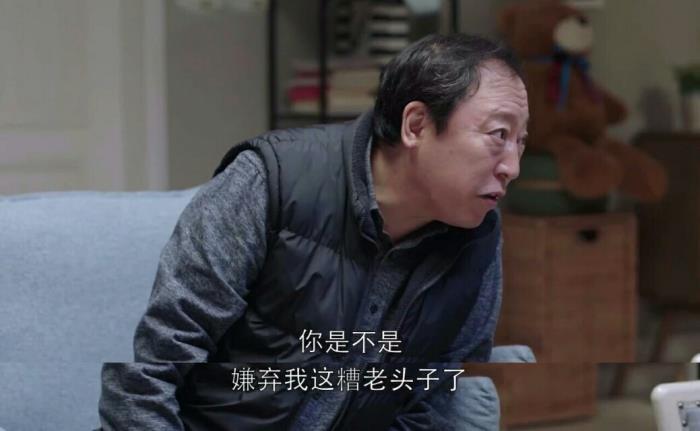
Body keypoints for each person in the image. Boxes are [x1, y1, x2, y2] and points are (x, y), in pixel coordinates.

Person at [98, 33, 529, 430]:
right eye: (498, 134)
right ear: (416, 125)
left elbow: (436, 400)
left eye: (521, 140)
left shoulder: (476, 237)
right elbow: (146, 379)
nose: (512, 167)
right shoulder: (270, 182)